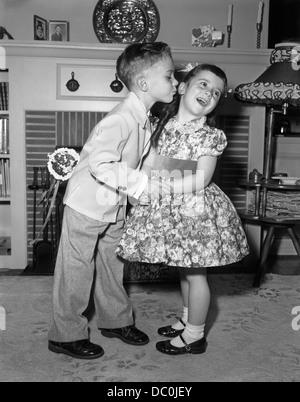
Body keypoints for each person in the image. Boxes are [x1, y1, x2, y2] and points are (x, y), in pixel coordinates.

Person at [48, 42, 178, 360]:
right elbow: (100, 164)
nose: (176, 82)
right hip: (87, 204)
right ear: (145, 83)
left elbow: (139, 161)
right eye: (171, 75)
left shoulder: (143, 117)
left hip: (114, 203)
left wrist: (154, 186)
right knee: (76, 268)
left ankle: (115, 320)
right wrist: (141, 184)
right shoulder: (120, 119)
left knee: (113, 263)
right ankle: (65, 335)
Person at [117, 64, 250, 355]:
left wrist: (164, 188)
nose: (209, 93)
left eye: (216, 92)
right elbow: (151, 162)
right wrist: (142, 187)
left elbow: (202, 178)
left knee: (196, 274)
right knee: (184, 269)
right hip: (168, 203)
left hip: (194, 209)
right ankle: (189, 320)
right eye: (203, 84)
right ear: (182, 87)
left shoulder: (208, 135)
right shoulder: (162, 125)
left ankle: (195, 335)